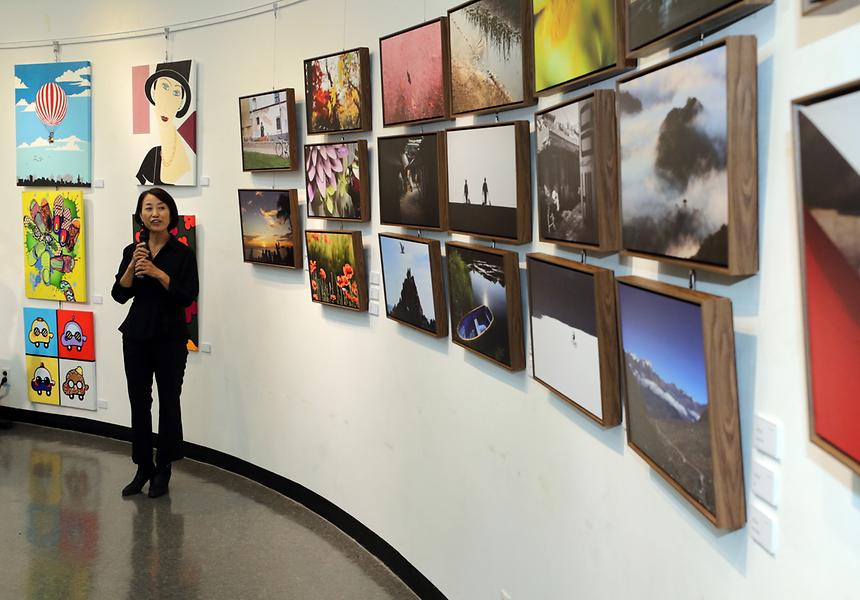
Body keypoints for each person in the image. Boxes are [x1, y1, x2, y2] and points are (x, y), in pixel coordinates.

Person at [112, 188, 198, 498]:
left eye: (161, 207)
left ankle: (164, 469)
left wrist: (159, 274)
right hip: (135, 335)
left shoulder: (183, 254)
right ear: (141, 216)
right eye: (148, 208)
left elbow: (188, 295)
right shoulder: (133, 251)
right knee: (139, 403)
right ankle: (143, 467)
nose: (155, 213)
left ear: (170, 214)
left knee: (169, 402)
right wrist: (131, 270)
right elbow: (120, 294)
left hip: (170, 338)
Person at [136, 60, 194, 186]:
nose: (168, 103)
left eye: (176, 93)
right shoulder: (153, 155)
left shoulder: (185, 153)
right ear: (154, 92)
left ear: (180, 103)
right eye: (165, 87)